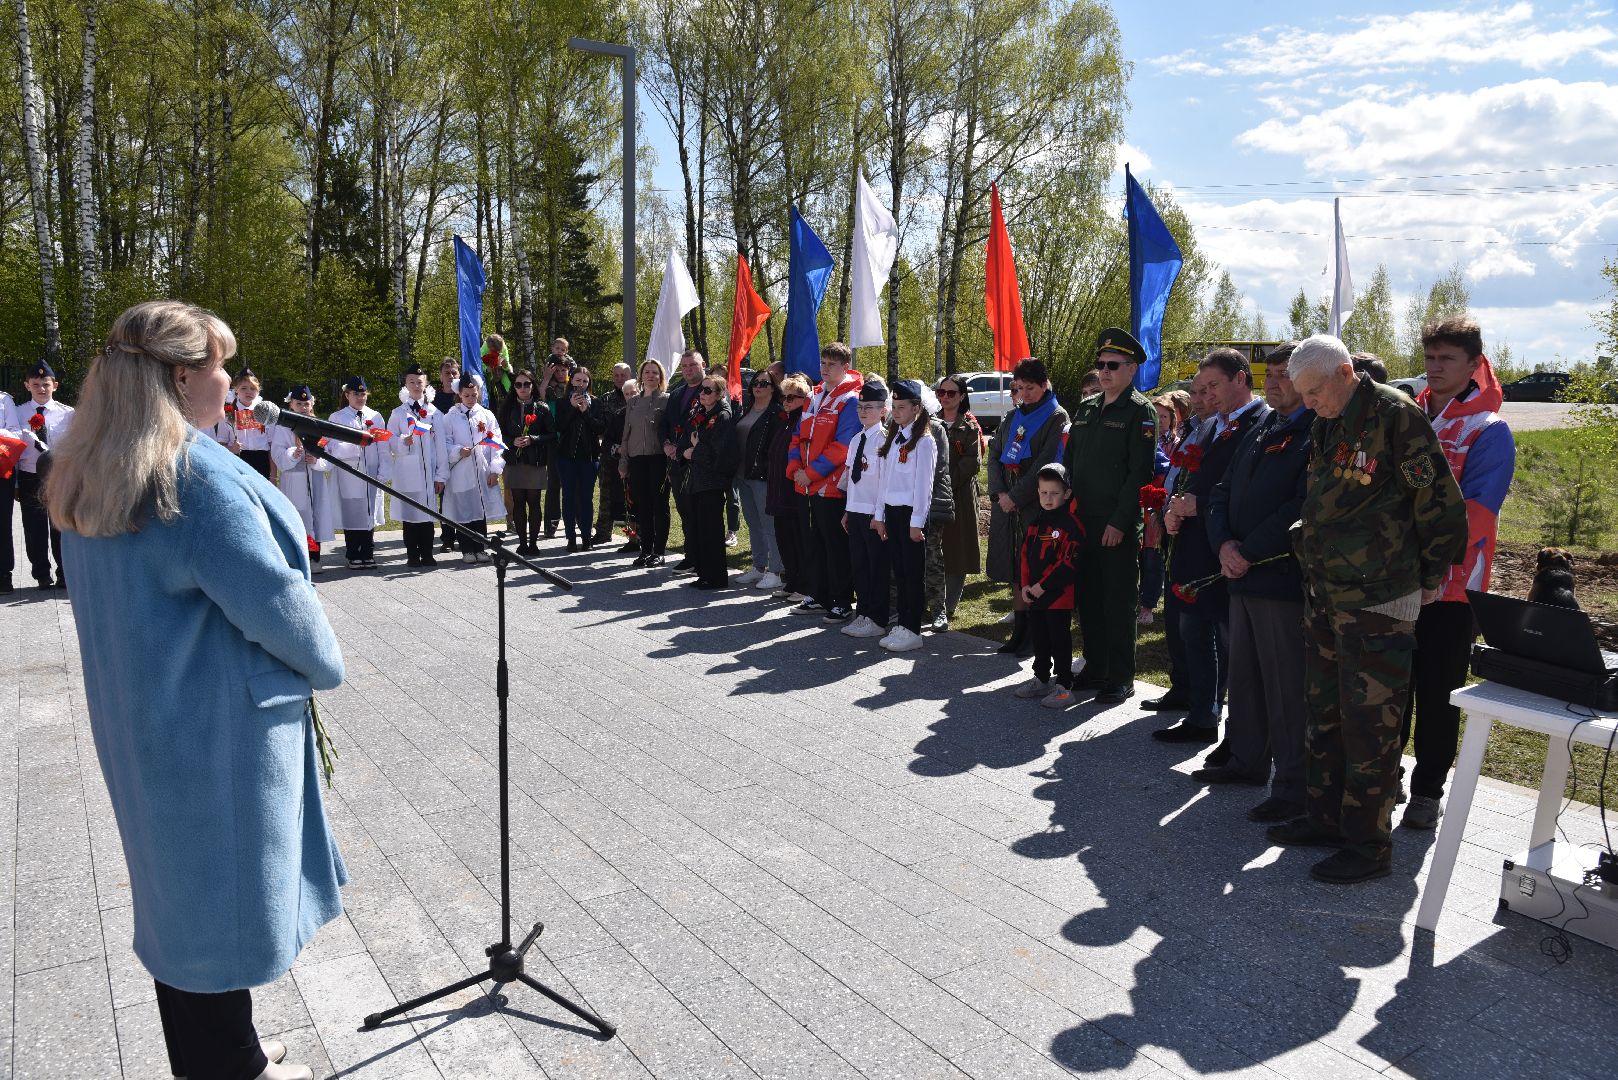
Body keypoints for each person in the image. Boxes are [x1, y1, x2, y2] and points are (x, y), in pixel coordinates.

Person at [47, 299, 342, 1080]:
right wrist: (325, 665)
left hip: (144, 724)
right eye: (219, 365)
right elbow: (278, 610)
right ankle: (230, 1070)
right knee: (217, 907)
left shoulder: (95, 464)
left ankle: (228, 1048)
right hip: (211, 732)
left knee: (182, 906)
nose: (233, 379)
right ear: (181, 377)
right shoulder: (191, 479)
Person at [1273, 333, 1467, 884]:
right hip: (1327, 591)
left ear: (1343, 372)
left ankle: (1367, 845)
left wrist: (1430, 576)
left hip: (1380, 596)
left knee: (1370, 726)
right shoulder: (1327, 419)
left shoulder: (1394, 418)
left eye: (1313, 391)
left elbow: (1440, 505)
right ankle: (1326, 817)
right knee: (1326, 712)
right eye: (1302, 394)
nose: (1307, 402)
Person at [1398, 319, 1516, 829]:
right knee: (1394, 685)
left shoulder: (1488, 429)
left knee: (1439, 691)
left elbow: (1477, 514)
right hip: (1396, 580)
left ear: (1474, 364)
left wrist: (1430, 567)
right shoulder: (1411, 414)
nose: (1435, 368)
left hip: (1451, 588)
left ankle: (1428, 789)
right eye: (1430, 358)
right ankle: (1384, 777)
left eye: (1447, 359)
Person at [1197, 343, 1315, 822]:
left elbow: (1300, 508)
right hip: (1240, 574)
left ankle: (1292, 786)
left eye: (1286, 375)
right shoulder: (1265, 423)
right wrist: (1224, 543)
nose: (1274, 383)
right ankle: (1246, 760)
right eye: (1270, 374)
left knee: (1285, 688)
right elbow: (1224, 490)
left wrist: (1246, 550)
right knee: (1244, 676)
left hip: (1279, 578)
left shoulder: (1316, 432)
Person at [1157, 350, 1269, 744]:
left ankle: (1234, 730)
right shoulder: (1209, 425)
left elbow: (1250, 489)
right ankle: (1202, 714)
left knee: (1228, 640)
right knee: (1194, 631)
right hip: (1193, 542)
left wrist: (1197, 505)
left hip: (1228, 547)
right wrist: (1174, 508)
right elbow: (1188, 475)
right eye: (1200, 389)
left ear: (1240, 379)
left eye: (1213, 386)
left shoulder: (1261, 422)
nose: (1205, 396)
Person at [1063, 330, 1157, 703]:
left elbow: (1140, 474)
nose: (1104, 371)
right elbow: (1071, 463)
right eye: (1100, 365)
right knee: (1088, 598)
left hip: (1114, 522)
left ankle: (1121, 675)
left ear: (1131, 369)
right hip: (1082, 519)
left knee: (1117, 602)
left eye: (1112, 365)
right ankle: (1096, 666)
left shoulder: (1140, 411)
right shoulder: (1087, 408)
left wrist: (1120, 522)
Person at [988, 359, 1069, 656]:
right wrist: (998, 492)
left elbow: (1045, 464)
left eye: (1031, 388)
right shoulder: (1013, 416)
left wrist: (1016, 497)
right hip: (1008, 502)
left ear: (1045, 385)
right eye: (1019, 388)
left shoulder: (1056, 416)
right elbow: (995, 453)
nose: (1025, 394)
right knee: (1015, 568)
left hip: (1035, 503)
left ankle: (1035, 634)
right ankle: (1019, 630)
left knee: (1035, 567)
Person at [1144, 384, 1213, 715]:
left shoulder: (1223, 431)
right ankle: (1181, 687)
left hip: (1200, 536)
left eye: (1207, 390)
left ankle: (1203, 705)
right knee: (1174, 619)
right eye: (1197, 392)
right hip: (1174, 532)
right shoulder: (1195, 429)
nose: (1199, 398)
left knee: (1197, 628)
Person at [789, 343, 863, 621]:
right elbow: (798, 436)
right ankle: (818, 594)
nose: (825, 369)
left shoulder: (851, 399)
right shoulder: (815, 395)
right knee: (814, 542)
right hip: (807, 483)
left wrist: (811, 473)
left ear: (845, 367)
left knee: (835, 546)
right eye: (823, 363)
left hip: (831, 485)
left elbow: (843, 446)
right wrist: (796, 467)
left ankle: (842, 600)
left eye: (832, 364)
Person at [1010, 463, 1085, 709]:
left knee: (1059, 640)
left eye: (1054, 493)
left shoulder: (1072, 525)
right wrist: (1025, 586)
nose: (1048, 498)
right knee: (1040, 638)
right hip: (1034, 594)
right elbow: (1025, 555)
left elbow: (1068, 563)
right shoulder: (1036, 523)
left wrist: (1043, 585)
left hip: (1057, 596)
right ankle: (1041, 677)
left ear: (1067, 494)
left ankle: (1064, 685)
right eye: (1044, 493)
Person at [873, 379, 936, 652]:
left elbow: (925, 486)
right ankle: (902, 623)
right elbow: (884, 482)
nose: (896, 412)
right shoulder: (896, 437)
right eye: (894, 406)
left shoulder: (923, 441)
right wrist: (880, 515)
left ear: (916, 409)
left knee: (912, 573)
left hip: (911, 515)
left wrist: (917, 522)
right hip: (893, 512)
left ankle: (913, 628)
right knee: (899, 571)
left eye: (901, 407)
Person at [15, 360, 75, 589]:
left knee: (60, 525)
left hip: (58, 477)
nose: (41, 388)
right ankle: (41, 573)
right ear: (27, 386)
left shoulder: (67, 414)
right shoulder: (18, 414)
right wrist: (18, 483)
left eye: (46, 384)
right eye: (36, 384)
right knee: (33, 527)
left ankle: (64, 572)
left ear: (55, 386)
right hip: (30, 475)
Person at [839, 381, 891, 639]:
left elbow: (884, 483)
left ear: (883, 410)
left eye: (869, 407)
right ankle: (863, 613)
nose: (863, 411)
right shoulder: (856, 439)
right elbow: (851, 480)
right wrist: (848, 510)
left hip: (874, 513)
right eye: (860, 407)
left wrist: (879, 516)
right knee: (859, 565)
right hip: (856, 510)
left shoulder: (884, 440)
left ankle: (878, 618)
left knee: (876, 567)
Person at [270, 385, 339, 575]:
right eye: (298, 403)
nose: (303, 407)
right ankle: (296, 557)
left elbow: (330, 453)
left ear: (312, 403)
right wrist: (293, 453)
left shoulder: (318, 425)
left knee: (316, 515)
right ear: (291, 404)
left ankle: (315, 557)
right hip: (294, 479)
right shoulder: (283, 427)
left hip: (314, 477)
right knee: (297, 516)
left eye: (306, 403)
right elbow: (277, 452)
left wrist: (317, 460)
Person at [680, 374, 740, 588]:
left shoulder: (722, 416)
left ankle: (716, 577)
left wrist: (694, 451)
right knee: (700, 528)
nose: (702, 394)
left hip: (712, 482)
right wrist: (690, 448)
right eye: (701, 390)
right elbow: (688, 435)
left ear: (719, 394)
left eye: (708, 390)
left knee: (712, 531)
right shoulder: (702, 414)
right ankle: (704, 573)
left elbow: (719, 452)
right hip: (698, 480)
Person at [387, 364, 449, 567]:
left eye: (419, 382)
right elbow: (389, 439)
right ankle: (412, 554)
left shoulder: (434, 413)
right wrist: (402, 441)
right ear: (405, 385)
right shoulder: (398, 413)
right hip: (407, 472)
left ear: (426, 384)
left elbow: (440, 446)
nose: (415, 385)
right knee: (410, 515)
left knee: (427, 516)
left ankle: (428, 553)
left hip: (429, 473)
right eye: (411, 382)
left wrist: (441, 475)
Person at [325, 376, 390, 569]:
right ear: (347, 395)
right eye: (355, 394)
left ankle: (368, 552)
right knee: (352, 512)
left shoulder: (375, 416)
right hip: (350, 474)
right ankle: (353, 553)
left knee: (369, 513)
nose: (360, 397)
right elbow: (333, 446)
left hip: (370, 472)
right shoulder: (338, 417)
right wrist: (355, 447)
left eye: (363, 394)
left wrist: (384, 469)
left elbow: (383, 446)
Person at [934, 374, 984, 626]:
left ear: (962, 396)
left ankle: (949, 604)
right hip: (931, 494)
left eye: (951, 393)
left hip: (960, 495)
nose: (945, 397)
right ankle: (932, 600)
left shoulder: (969, 426)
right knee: (933, 548)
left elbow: (972, 463)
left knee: (958, 549)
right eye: (941, 393)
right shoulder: (930, 422)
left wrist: (943, 483)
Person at [441, 375, 506, 560]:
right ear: (459, 395)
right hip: (461, 472)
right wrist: (457, 450)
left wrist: (495, 469)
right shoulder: (451, 417)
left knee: (480, 510)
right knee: (464, 510)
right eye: (467, 395)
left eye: (474, 395)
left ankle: (481, 547)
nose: (471, 399)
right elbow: (444, 443)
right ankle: (467, 549)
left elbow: (496, 442)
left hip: (481, 471)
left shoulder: (486, 414)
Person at [734, 368, 788, 591]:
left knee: (769, 525)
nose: (758, 386)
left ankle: (775, 571)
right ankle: (758, 567)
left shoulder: (776, 413)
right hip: (742, 475)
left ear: (773, 388)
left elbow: (776, 447)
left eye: (764, 383)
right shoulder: (748, 408)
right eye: (756, 382)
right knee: (753, 522)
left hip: (763, 477)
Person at [497, 367, 555, 556]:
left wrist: (533, 439)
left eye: (526, 384)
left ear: (532, 386)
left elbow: (552, 435)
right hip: (514, 461)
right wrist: (512, 441)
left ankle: (533, 543)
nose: (523, 388)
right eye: (518, 384)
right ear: (514, 387)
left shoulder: (542, 408)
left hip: (535, 462)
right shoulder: (507, 408)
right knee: (518, 502)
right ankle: (522, 543)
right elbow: (498, 435)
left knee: (534, 502)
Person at [766, 375, 814, 602]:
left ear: (804, 399)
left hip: (793, 491)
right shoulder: (785, 420)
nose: (786, 401)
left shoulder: (802, 421)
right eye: (784, 397)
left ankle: (803, 585)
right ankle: (792, 580)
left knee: (797, 540)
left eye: (792, 397)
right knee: (783, 538)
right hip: (778, 489)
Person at [661, 349, 708, 569]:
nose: (688, 370)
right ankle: (691, 555)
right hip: (677, 462)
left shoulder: (710, 390)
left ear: (703, 365)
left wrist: (687, 448)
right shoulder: (677, 393)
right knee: (684, 509)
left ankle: (703, 558)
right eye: (685, 366)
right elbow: (665, 424)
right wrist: (667, 445)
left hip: (699, 463)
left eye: (693, 365)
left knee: (700, 512)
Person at [622, 359, 671, 566]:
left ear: (660, 377)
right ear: (641, 376)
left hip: (658, 459)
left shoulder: (667, 400)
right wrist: (623, 461)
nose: (651, 375)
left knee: (659, 506)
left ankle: (659, 551)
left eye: (655, 372)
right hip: (637, 460)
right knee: (643, 507)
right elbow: (626, 434)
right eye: (647, 372)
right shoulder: (633, 402)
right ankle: (645, 550)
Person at [554, 367, 608, 553]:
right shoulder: (562, 403)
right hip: (566, 458)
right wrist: (571, 408)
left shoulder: (596, 403)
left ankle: (586, 538)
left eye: (585, 381)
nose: (581, 384)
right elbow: (559, 426)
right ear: (571, 381)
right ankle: (571, 538)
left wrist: (585, 411)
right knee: (568, 497)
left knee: (586, 499)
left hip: (589, 458)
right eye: (578, 380)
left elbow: (600, 428)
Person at [921, 404, 955, 632]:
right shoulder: (895, 426)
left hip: (931, 503)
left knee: (932, 557)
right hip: (902, 504)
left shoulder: (936, 428)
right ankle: (900, 606)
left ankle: (937, 610)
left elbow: (939, 466)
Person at [594, 362, 633, 546]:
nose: (619, 378)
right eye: (616, 375)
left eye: (623, 375)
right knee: (606, 494)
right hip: (609, 454)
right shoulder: (605, 399)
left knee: (633, 495)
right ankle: (603, 532)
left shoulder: (636, 395)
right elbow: (601, 427)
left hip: (633, 456)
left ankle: (635, 535)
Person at [540, 343, 576, 537]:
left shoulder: (573, 386)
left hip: (572, 440)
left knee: (572, 483)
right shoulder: (550, 389)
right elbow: (540, 397)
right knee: (553, 483)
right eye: (557, 370)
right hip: (554, 441)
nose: (561, 373)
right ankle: (551, 522)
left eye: (564, 370)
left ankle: (575, 519)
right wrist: (546, 378)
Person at [434, 358, 462, 552]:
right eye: (447, 373)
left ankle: (465, 535)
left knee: (463, 495)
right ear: (440, 376)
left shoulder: (465, 395)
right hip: (443, 454)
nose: (451, 376)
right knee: (446, 496)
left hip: (464, 454)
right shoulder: (434, 399)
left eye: (454, 373)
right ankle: (447, 538)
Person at [229, 370, 273, 480]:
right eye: (244, 388)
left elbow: (272, 446)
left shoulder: (265, 412)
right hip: (238, 459)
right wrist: (231, 448)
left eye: (252, 388)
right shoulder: (228, 412)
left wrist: (273, 475)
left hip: (262, 460)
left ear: (258, 391)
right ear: (236, 390)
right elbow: (220, 443)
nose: (248, 392)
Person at [0, 387, 22, 594]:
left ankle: (4, 575)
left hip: (1, 471)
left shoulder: (4, 400)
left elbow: (16, 432)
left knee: (2, 524)